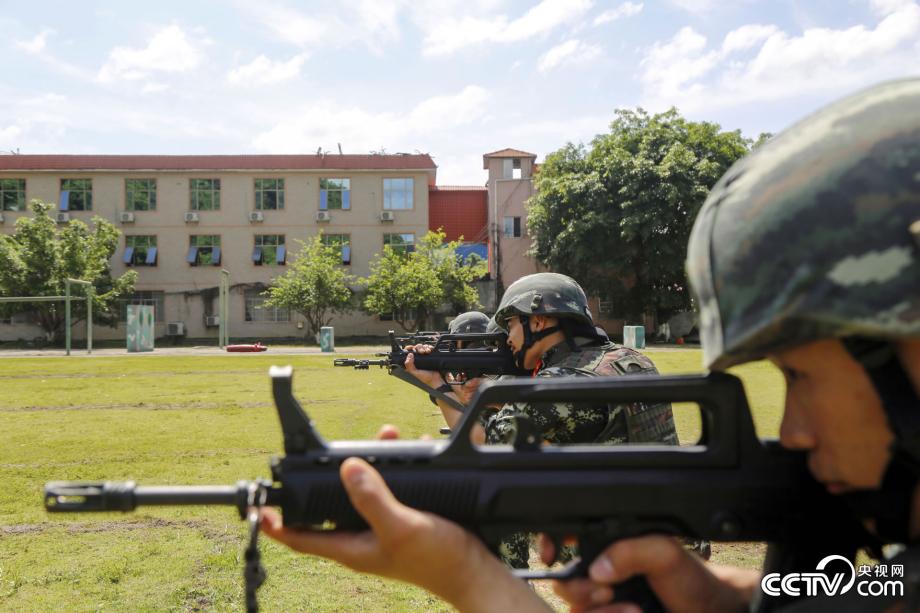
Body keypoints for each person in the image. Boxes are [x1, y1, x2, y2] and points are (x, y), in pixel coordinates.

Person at [261, 79, 920, 611]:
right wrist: (718, 597)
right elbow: (843, 595)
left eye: (800, 377)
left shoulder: (570, 381)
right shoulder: (889, 580)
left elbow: (487, 442)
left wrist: (468, 575)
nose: (792, 430)